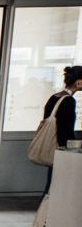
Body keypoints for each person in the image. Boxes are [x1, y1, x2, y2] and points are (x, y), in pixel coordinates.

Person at [41, 65, 82, 195]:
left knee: (51, 184)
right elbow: (65, 129)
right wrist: (70, 149)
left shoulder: (54, 97)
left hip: (51, 145)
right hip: (61, 148)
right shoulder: (68, 101)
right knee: (58, 185)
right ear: (78, 82)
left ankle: (45, 207)